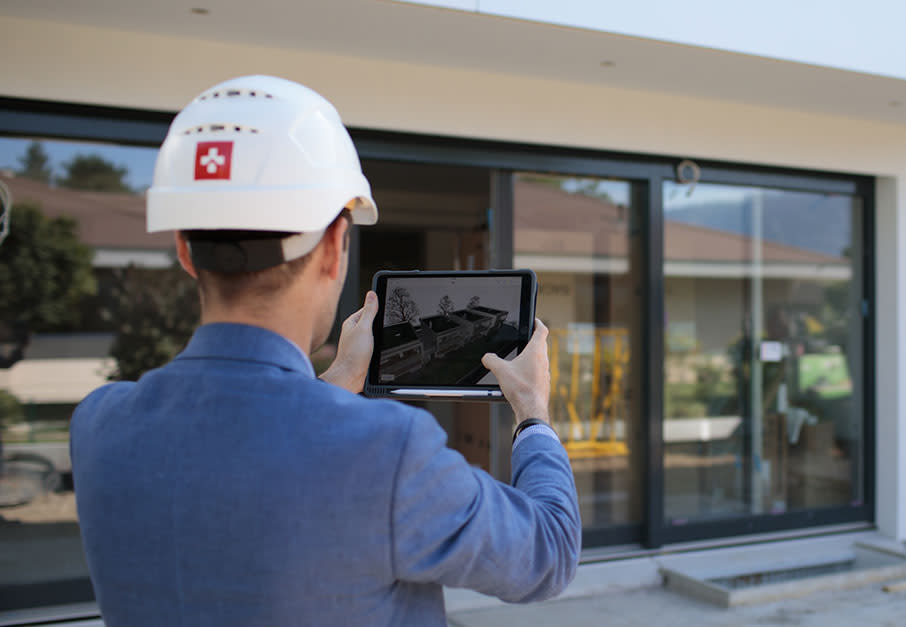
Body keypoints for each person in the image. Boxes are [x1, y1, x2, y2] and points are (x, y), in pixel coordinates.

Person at [69, 75, 580, 626]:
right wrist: (533, 414)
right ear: (336, 248)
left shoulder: (100, 425)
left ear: (185, 253)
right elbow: (547, 553)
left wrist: (339, 379)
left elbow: (246, 449)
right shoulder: (388, 450)